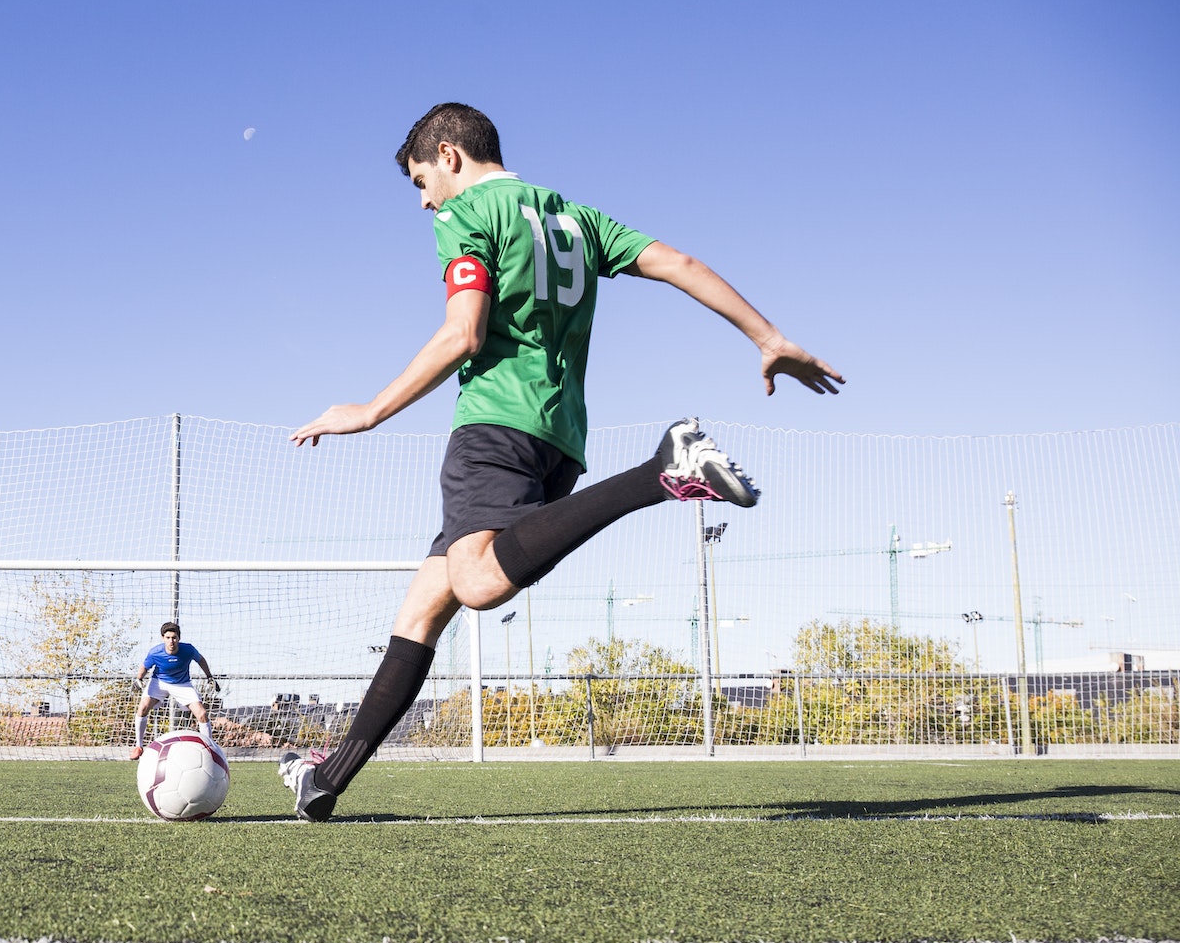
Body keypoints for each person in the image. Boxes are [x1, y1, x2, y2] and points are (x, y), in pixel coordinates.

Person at [277, 102, 844, 820]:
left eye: (422, 181)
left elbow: (463, 333)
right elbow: (680, 264)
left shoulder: (467, 215)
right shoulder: (573, 218)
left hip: (493, 426)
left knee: (477, 583)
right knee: (424, 605)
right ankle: (328, 778)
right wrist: (767, 335)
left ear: (449, 155)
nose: (424, 201)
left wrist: (367, 411)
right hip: (560, 438)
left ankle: (659, 471)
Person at [130, 621, 217, 759]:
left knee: (202, 714)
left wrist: (209, 677)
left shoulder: (188, 650)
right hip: (159, 682)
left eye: (174, 637)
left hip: (183, 684)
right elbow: (145, 666)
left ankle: (210, 749)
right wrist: (138, 679)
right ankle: (138, 746)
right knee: (143, 707)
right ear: (163, 638)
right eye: (168, 637)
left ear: (179, 638)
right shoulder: (155, 652)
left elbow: (201, 660)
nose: (171, 641)